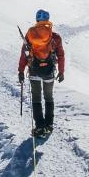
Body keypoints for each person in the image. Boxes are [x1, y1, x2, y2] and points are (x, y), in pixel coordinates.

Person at [18, 9, 65, 137]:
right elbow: (61, 55)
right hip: (49, 72)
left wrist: (21, 71)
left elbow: (24, 54)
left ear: (37, 20)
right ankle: (48, 126)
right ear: (48, 20)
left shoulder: (30, 35)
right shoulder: (55, 37)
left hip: (34, 71)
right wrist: (61, 71)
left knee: (36, 99)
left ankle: (39, 127)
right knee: (49, 98)